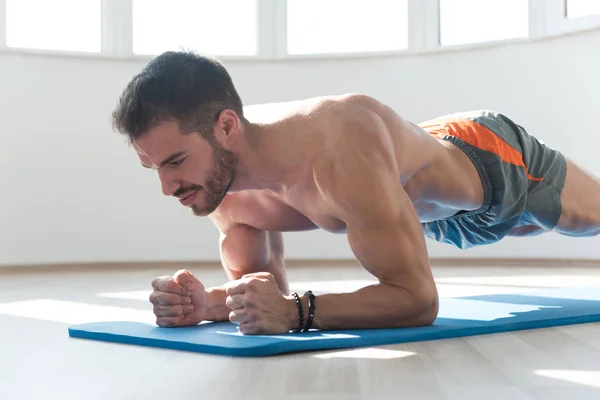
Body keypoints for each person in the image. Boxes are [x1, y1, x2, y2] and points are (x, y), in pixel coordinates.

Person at [111, 51, 600, 335]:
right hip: (421, 209)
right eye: (152, 167)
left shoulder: (338, 149)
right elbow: (264, 296)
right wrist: (207, 305)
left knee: (590, 217)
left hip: (491, 164)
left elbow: (418, 300)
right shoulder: (220, 188)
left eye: (174, 162)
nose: (166, 187)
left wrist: (300, 312)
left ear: (226, 126)